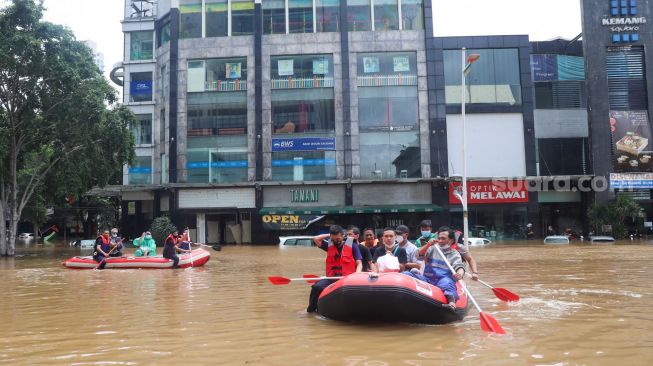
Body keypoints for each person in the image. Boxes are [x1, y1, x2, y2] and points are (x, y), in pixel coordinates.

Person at [307, 225, 363, 313]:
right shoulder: (329, 245)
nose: (335, 241)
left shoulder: (352, 245)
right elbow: (316, 239)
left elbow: (359, 263)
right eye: (333, 239)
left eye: (338, 239)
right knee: (316, 287)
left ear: (342, 235)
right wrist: (329, 235)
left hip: (346, 279)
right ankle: (310, 310)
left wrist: (357, 274)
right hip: (331, 278)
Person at [405, 228, 465, 309]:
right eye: (439, 238)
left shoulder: (455, 254)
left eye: (443, 239)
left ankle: (452, 303)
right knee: (408, 274)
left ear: (451, 240)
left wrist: (459, 274)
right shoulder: (433, 248)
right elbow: (419, 255)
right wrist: (428, 245)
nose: (440, 241)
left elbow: (459, 267)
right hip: (427, 279)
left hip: (442, 279)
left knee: (447, 282)